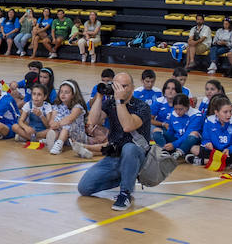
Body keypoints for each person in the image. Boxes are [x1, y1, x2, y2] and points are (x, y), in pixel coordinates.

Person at [76, 71, 155, 211]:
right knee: (84, 187)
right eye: (117, 86)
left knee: (129, 148)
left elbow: (128, 126)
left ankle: (125, 193)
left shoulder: (142, 107)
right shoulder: (110, 103)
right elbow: (93, 121)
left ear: (132, 87)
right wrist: (99, 96)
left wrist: (120, 102)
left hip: (136, 155)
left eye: (124, 86)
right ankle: (125, 177)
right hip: (114, 154)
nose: (121, 90)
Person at [44, 80, 89, 156]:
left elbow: (70, 119)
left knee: (66, 126)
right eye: (61, 92)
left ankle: (58, 145)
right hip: (63, 135)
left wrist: (57, 124)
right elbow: (52, 120)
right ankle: (54, 141)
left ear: (73, 95)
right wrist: (52, 125)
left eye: (66, 92)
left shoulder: (77, 107)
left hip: (76, 136)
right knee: (53, 130)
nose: (63, 94)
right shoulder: (57, 106)